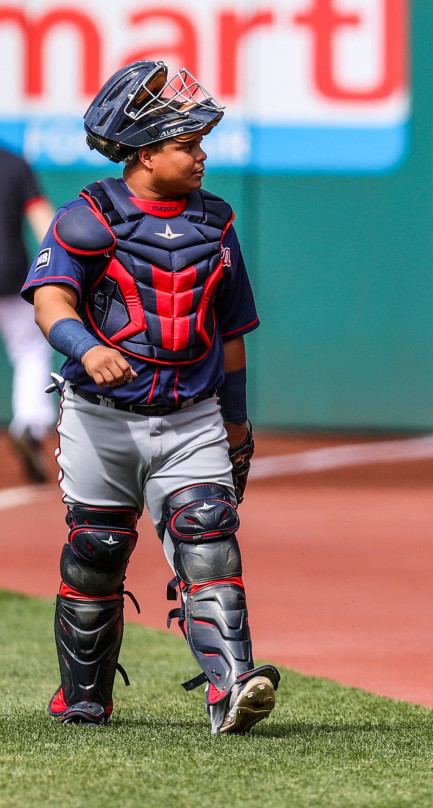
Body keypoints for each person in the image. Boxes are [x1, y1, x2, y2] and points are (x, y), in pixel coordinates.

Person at [22, 61, 279, 734]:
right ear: (144, 153)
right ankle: (84, 694)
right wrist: (85, 346)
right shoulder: (89, 216)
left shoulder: (217, 224)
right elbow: (51, 301)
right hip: (99, 417)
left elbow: (231, 336)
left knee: (208, 537)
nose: (201, 156)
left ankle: (232, 687)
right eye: (187, 145)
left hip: (191, 414)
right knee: (98, 547)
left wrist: (236, 421)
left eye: (200, 144)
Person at [0, 144, 55, 483]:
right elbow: (43, 221)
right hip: (9, 274)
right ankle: (29, 426)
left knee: (30, 350)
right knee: (31, 352)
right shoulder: (14, 163)